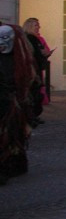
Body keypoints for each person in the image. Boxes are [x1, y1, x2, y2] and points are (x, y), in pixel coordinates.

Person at [0, 24, 38, 185]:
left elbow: (30, 81)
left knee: (12, 135)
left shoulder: (21, 60)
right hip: (7, 101)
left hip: (11, 103)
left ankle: (10, 165)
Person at [22, 18, 50, 125]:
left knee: (37, 93)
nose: (38, 27)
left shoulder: (36, 39)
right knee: (32, 94)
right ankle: (30, 116)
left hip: (37, 69)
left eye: (38, 25)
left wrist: (44, 54)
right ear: (29, 26)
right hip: (31, 70)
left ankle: (33, 115)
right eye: (36, 25)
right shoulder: (28, 39)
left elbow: (41, 51)